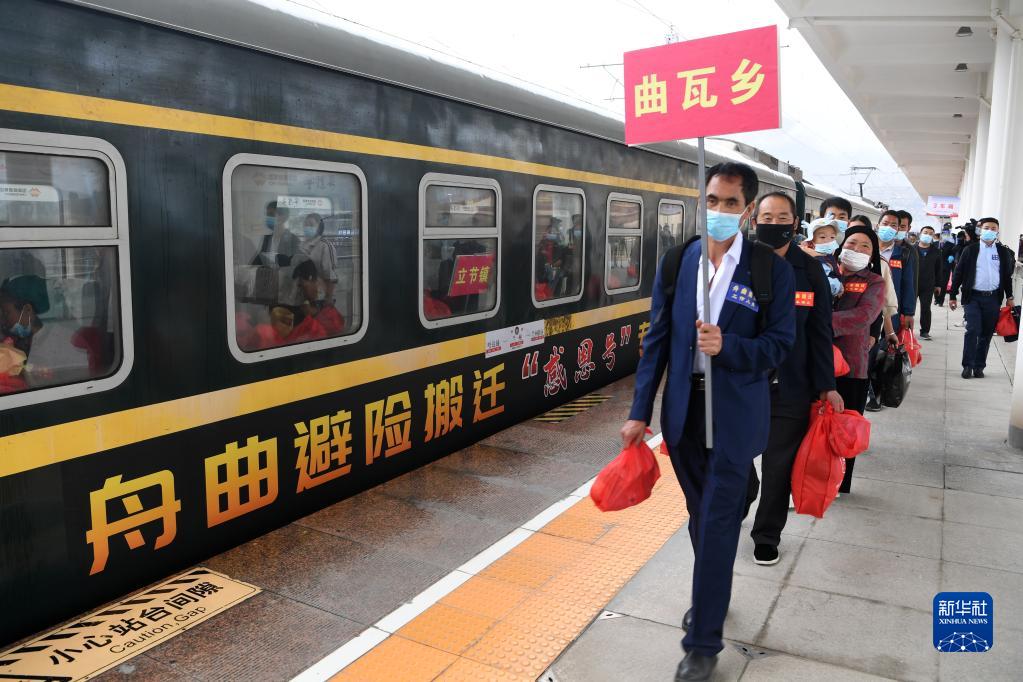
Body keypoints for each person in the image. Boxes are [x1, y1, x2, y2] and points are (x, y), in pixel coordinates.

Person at [621, 162, 795, 681]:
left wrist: (729, 346)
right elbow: (656, 341)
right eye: (711, 200)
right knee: (701, 517)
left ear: (747, 210)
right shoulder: (679, 261)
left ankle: (702, 643)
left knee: (718, 519)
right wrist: (639, 412)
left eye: (730, 203)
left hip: (735, 414)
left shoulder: (769, 270)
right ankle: (711, 593)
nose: (718, 210)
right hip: (684, 414)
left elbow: (779, 345)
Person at [745, 192, 839, 566]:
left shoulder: (810, 271)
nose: (774, 224)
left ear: (795, 223)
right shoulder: (739, 264)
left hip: (792, 384)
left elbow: (821, 331)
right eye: (767, 217)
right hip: (743, 383)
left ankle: (766, 535)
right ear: (755, 221)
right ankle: (744, 494)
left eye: (782, 217)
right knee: (736, 459)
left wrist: (827, 385)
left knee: (778, 465)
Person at [832, 226, 886, 492]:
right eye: (852, 242)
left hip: (851, 364)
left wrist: (817, 322)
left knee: (846, 425)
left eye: (865, 246)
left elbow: (864, 316)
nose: (857, 249)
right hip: (814, 360)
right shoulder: (823, 270)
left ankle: (840, 482)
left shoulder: (874, 282)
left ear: (873, 254)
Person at [949, 218, 1015, 378]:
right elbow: (959, 272)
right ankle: (967, 365)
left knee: (987, 333)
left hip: (993, 298)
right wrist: (952, 295)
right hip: (973, 297)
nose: (989, 231)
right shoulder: (970, 250)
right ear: (980, 230)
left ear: (997, 231)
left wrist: (1009, 296)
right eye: (986, 227)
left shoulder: (1002, 252)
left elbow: (1006, 276)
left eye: (993, 228)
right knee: (972, 330)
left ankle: (979, 366)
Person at [876, 210, 916, 332]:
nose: (888, 227)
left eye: (893, 225)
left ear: (898, 229)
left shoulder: (903, 254)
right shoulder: (867, 249)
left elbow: (908, 284)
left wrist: (909, 313)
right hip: (868, 306)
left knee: (888, 339)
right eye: (885, 223)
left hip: (892, 309)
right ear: (878, 226)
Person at [293, 258, 345, 336]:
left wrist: (314, 314)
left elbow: (335, 330)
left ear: (312, 280)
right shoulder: (302, 305)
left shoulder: (327, 307)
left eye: (301, 285)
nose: (299, 290)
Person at [800, 217, 843, 300]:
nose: (828, 241)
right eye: (823, 237)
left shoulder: (828, 257)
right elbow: (823, 281)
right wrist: (838, 286)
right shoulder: (812, 259)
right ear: (811, 242)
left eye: (832, 237)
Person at [915, 225, 943, 340]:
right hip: (912, 284)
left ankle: (925, 331)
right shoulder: (911, 249)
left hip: (928, 284)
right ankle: (906, 329)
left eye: (931, 234)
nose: (927, 235)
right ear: (920, 234)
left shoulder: (936, 251)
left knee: (926, 308)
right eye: (925, 232)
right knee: (908, 308)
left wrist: (938, 285)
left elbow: (939, 269)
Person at [935, 227, 956, 307]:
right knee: (936, 284)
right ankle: (936, 299)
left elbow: (953, 253)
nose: (945, 235)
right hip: (935, 267)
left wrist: (952, 256)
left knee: (943, 285)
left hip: (945, 267)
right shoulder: (935, 244)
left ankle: (941, 301)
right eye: (944, 234)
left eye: (947, 234)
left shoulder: (951, 244)